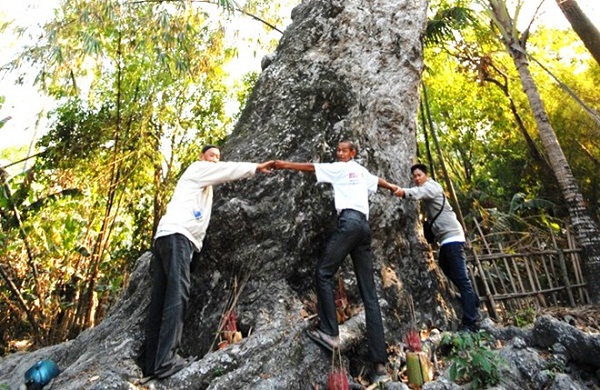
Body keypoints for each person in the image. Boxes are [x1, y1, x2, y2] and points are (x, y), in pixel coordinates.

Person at [142, 145, 273, 380]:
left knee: (160, 300)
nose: (215, 160)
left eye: (218, 157)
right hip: (177, 237)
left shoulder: (202, 186)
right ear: (202, 157)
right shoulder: (198, 169)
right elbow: (226, 171)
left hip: (168, 237)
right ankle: (166, 361)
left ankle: (152, 363)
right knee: (177, 295)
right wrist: (255, 167)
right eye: (212, 156)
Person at [273, 140, 399, 382]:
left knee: (323, 272)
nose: (340, 153)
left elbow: (311, 167)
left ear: (353, 152)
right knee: (369, 294)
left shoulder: (343, 168)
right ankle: (380, 365)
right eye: (338, 150)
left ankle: (330, 332)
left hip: (350, 222)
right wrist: (392, 186)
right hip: (363, 227)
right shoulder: (362, 171)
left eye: (344, 150)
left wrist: (283, 164)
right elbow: (377, 181)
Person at [394, 163, 480, 332]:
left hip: (453, 237)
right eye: (415, 176)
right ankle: (473, 299)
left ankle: (471, 322)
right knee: (445, 266)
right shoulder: (428, 189)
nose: (417, 178)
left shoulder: (432, 187)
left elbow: (420, 192)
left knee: (462, 280)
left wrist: (402, 192)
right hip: (446, 239)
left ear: (426, 175)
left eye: (419, 175)